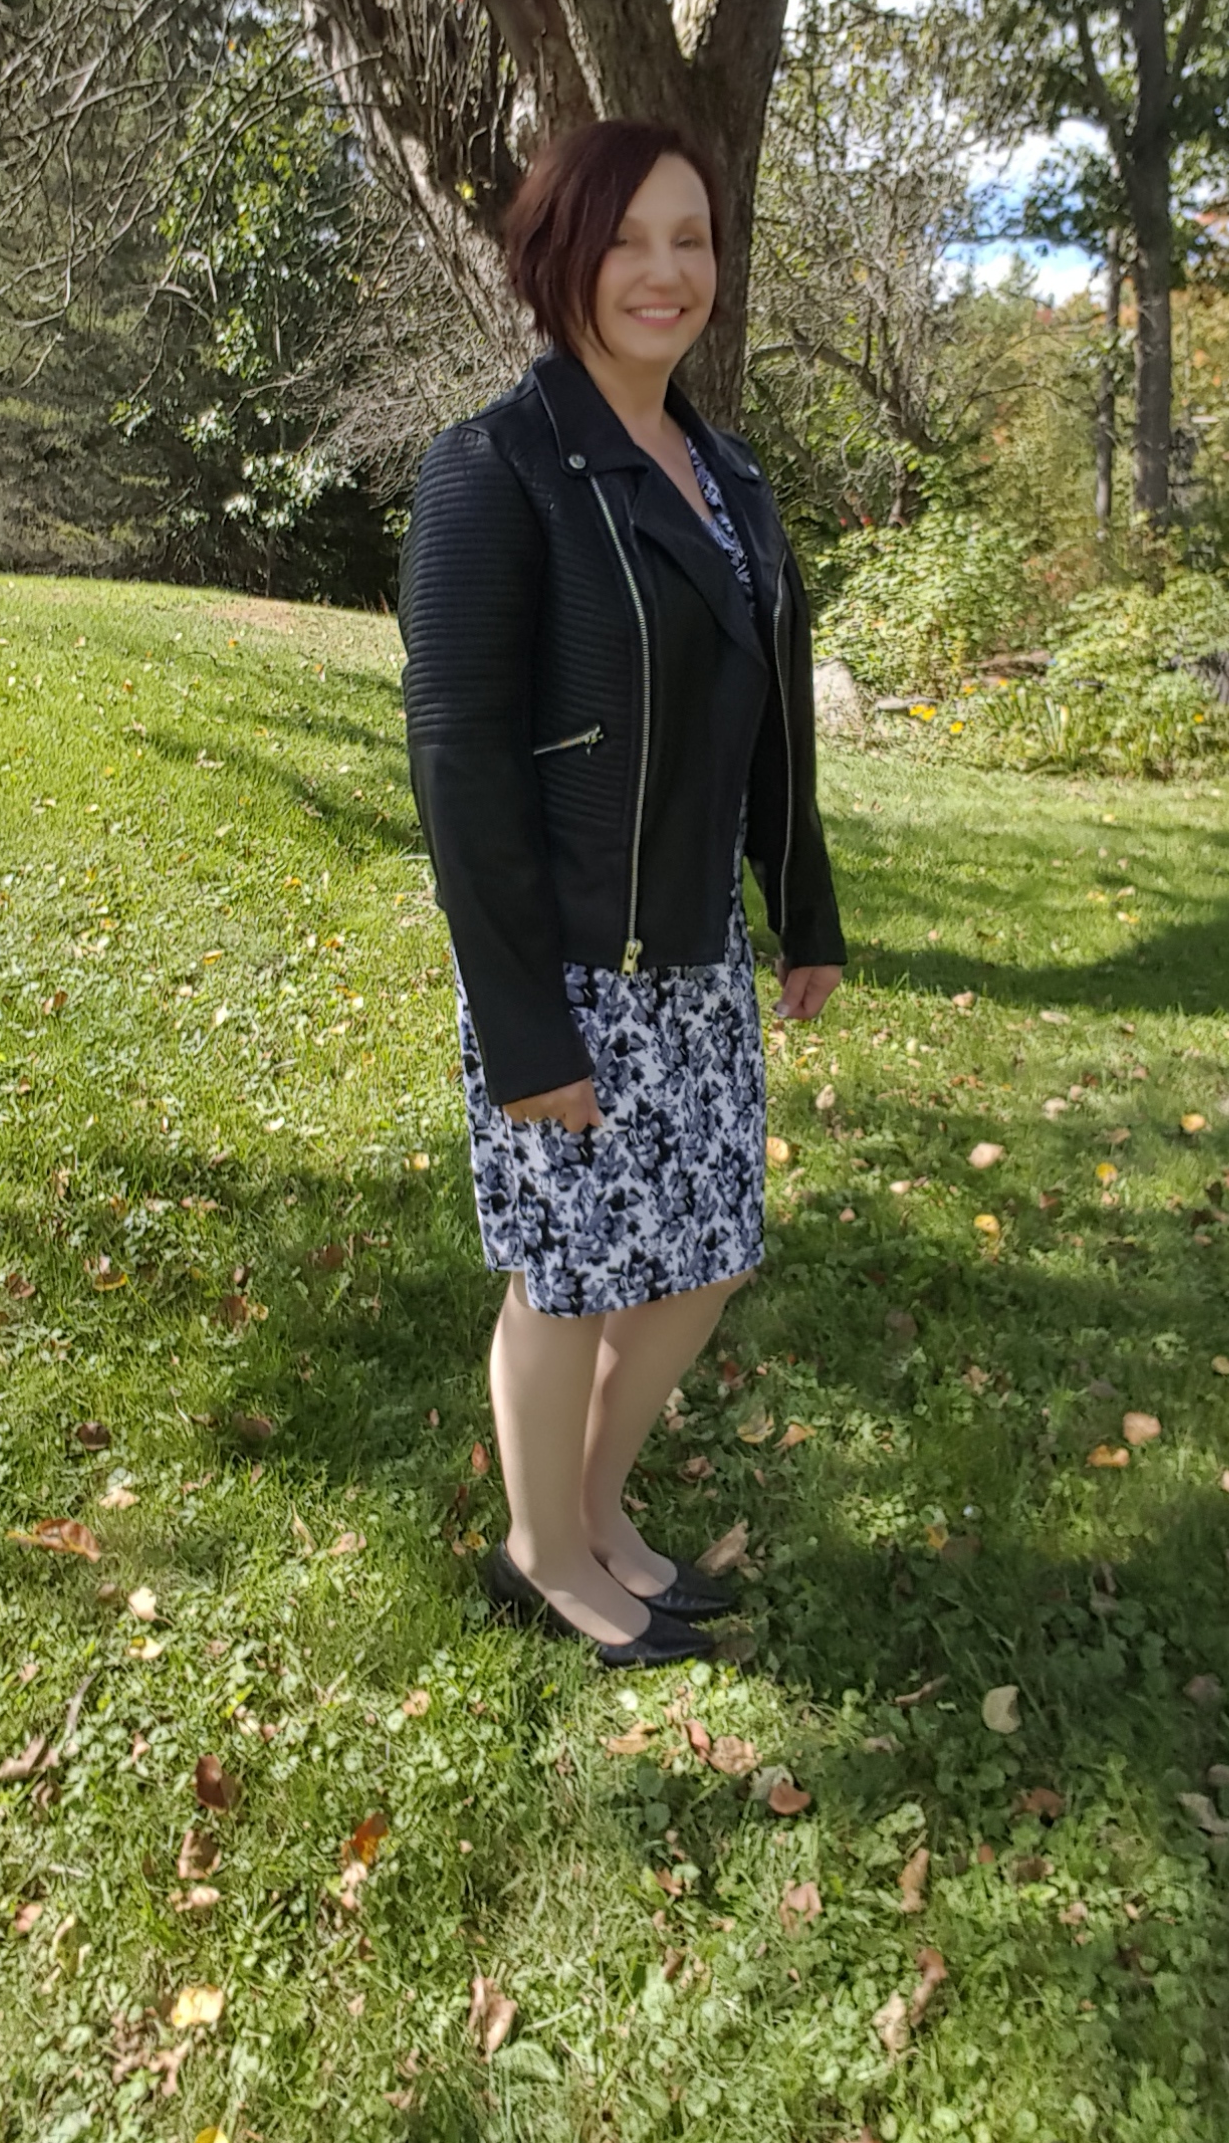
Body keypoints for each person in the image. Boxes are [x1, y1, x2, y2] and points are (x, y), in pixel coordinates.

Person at [399, 119, 844, 1667]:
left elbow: (771, 719)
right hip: (567, 965)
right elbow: (459, 766)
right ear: (562, 257)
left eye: (692, 239)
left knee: (707, 1255)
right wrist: (528, 1032)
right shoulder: (495, 470)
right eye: (629, 239)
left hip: (697, 957)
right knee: (574, 1276)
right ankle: (542, 1551)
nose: (666, 271)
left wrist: (803, 908)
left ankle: (592, 1512)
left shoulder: (732, 482)